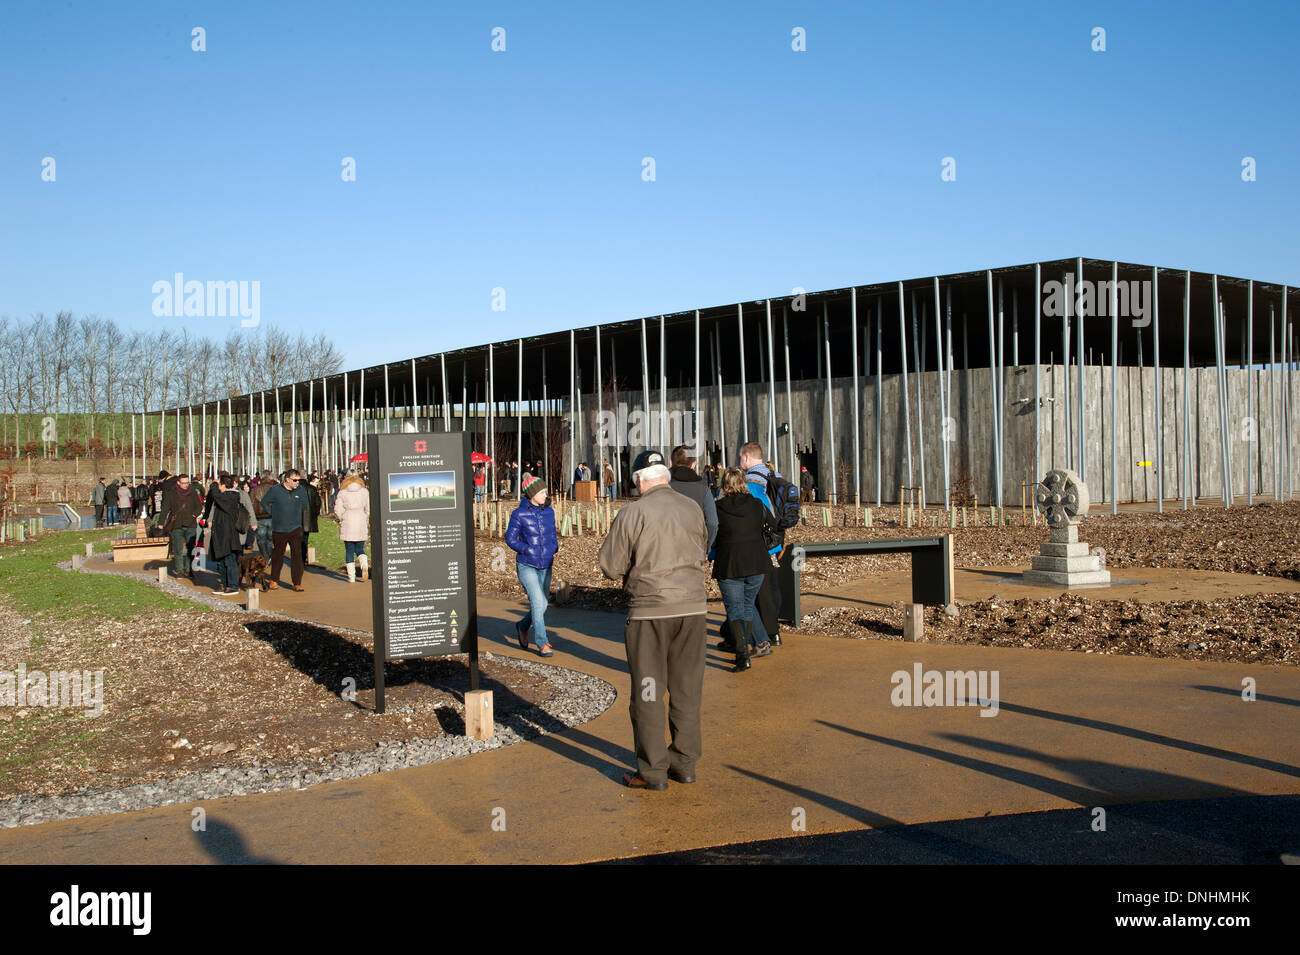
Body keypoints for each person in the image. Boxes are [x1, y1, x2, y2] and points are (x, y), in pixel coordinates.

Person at [597, 449, 709, 790]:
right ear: (666, 476)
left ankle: (653, 770)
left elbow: (610, 566)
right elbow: (703, 547)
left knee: (648, 691)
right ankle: (685, 764)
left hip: (650, 611)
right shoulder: (692, 508)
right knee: (687, 690)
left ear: (639, 480)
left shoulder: (633, 513)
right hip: (693, 609)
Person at [712, 467, 777, 670]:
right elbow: (773, 524)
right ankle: (746, 650)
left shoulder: (717, 507)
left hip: (729, 563)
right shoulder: (756, 504)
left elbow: (711, 532)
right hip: (757, 562)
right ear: (743, 483)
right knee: (747, 605)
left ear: (724, 485)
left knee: (735, 609)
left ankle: (742, 656)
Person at [739, 442, 788, 648]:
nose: (740, 462)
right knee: (771, 586)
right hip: (775, 539)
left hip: (758, 542)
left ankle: (766, 632)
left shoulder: (751, 482)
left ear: (747, 457)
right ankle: (773, 629)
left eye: (740, 458)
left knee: (758, 589)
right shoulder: (775, 476)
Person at [505, 473, 559, 656]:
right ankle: (542, 643)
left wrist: (554, 547)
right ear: (532, 494)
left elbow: (553, 535)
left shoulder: (549, 512)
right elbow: (510, 538)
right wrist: (526, 549)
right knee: (537, 601)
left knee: (542, 604)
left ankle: (522, 626)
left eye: (545, 492)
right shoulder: (519, 514)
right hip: (527, 564)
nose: (546, 495)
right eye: (542, 492)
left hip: (546, 564)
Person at [262, 469, 309, 591]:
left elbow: (305, 504)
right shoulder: (275, 490)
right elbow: (264, 502)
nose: (297, 482)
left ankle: (297, 583)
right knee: (278, 555)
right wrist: (272, 513)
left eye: (298, 480)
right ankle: (274, 580)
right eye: (295, 480)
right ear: (287, 480)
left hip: (296, 528)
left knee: (297, 556)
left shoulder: (301, 490)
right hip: (279, 528)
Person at [668, 444, 718, 551]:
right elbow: (712, 522)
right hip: (694, 548)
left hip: (666, 547)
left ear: (670, 463)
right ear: (694, 465)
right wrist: (706, 547)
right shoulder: (703, 489)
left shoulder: (663, 486)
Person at [158, 474, 204, 578]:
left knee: (190, 548)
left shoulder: (193, 493)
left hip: (191, 524)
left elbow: (199, 506)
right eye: (183, 483)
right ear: (178, 483)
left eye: (187, 483)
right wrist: (161, 523)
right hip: (177, 524)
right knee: (178, 549)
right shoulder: (171, 494)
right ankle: (179, 570)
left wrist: (194, 515)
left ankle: (189, 569)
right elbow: (165, 509)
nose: (186, 485)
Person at [207, 474, 244, 595]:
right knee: (222, 561)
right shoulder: (224, 497)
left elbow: (216, 495)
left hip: (229, 535)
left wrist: (213, 484)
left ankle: (233, 586)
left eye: (219, 484)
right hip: (221, 534)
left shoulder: (231, 496)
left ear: (223, 485)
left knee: (230, 561)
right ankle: (224, 584)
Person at [335, 471, 370, 582]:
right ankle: (364, 563)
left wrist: (341, 517)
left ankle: (351, 577)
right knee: (360, 548)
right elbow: (368, 507)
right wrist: (366, 516)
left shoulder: (342, 492)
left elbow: (337, 509)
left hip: (348, 520)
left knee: (349, 551)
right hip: (360, 519)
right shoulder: (364, 492)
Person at [249, 469, 276, 559]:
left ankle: (265, 557)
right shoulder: (275, 489)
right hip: (272, 516)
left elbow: (251, 504)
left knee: (261, 539)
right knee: (270, 538)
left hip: (259, 517)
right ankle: (269, 556)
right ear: (270, 478)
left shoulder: (255, 490)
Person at [300, 474, 322, 566]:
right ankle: (302, 558)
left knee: (295, 539)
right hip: (308, 519)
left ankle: (298, 558)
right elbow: (318, 503)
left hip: (295, 519)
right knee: (305, 539)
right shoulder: (312, 489)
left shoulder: (294, 489)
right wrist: (315, 514)